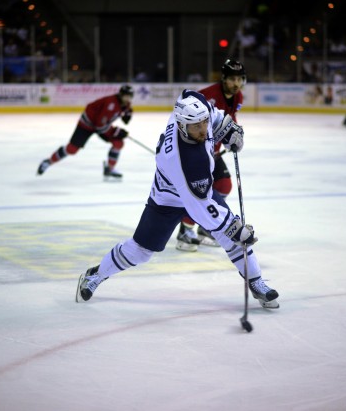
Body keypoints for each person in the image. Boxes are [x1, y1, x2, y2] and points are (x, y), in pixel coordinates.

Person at [75, 89, 280, 309]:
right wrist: (233, 227)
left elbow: (196, 99)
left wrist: (228, 128)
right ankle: (95, 275)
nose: (203, 130)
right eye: (196, 127)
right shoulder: (184, 159)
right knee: (140, 251)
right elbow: (200, 207)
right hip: (167, 200)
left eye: (204, 123)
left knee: (233, 240)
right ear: (182, 126)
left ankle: (257, 281)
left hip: (197, 191)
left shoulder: (191, 108)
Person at [175, 59, 246, 251]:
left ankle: (204, 227)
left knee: (223, 185)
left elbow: (229, 120)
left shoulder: (238, 97)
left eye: (240, 79)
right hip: (198, 150)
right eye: (232, 79)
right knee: (200, 191)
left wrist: (232, 136)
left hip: (211, 151)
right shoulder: (208, 96)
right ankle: (186, 229)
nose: (236, 84)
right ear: (223, 79)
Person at [36, 85, 134, 179]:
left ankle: (109, 168)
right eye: (126, 96)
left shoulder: (125, 104)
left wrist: (127, 114)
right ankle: (48, 162)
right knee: (72, 149)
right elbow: (99, 126)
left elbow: (112, 118)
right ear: (120, 95)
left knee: (118, 143)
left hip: (100, 124)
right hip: (87, 125)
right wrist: (116, 131)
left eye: (130, 96)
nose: (128, 99)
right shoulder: (110, 104)